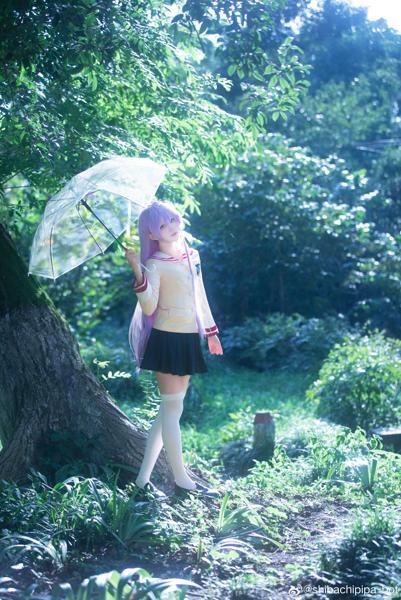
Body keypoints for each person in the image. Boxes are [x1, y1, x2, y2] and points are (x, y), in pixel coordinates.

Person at [125, 199, 223, 499]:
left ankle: (142, 479)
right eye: (161, 225)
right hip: (166, 339)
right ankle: (182, 478)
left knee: (171, 409)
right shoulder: (154, 264)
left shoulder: (192, 256)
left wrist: (211, 332)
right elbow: (149, 307)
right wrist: (137, 270)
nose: (170, 227)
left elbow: (200, 296)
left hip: (189, 336)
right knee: (171, 408)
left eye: (172, 220)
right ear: (151, 234)